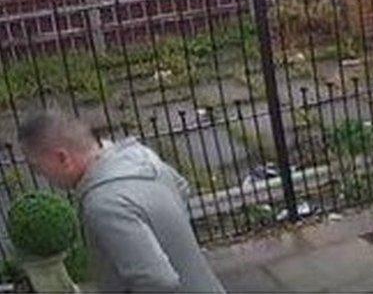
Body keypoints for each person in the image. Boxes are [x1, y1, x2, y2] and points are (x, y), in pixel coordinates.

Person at [18, 112, 226, 293]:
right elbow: (182, 188)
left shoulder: (104, 206)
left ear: (63, 158)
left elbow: (157, 281)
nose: (42, 176)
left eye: (38, 168)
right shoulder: (140, 157)